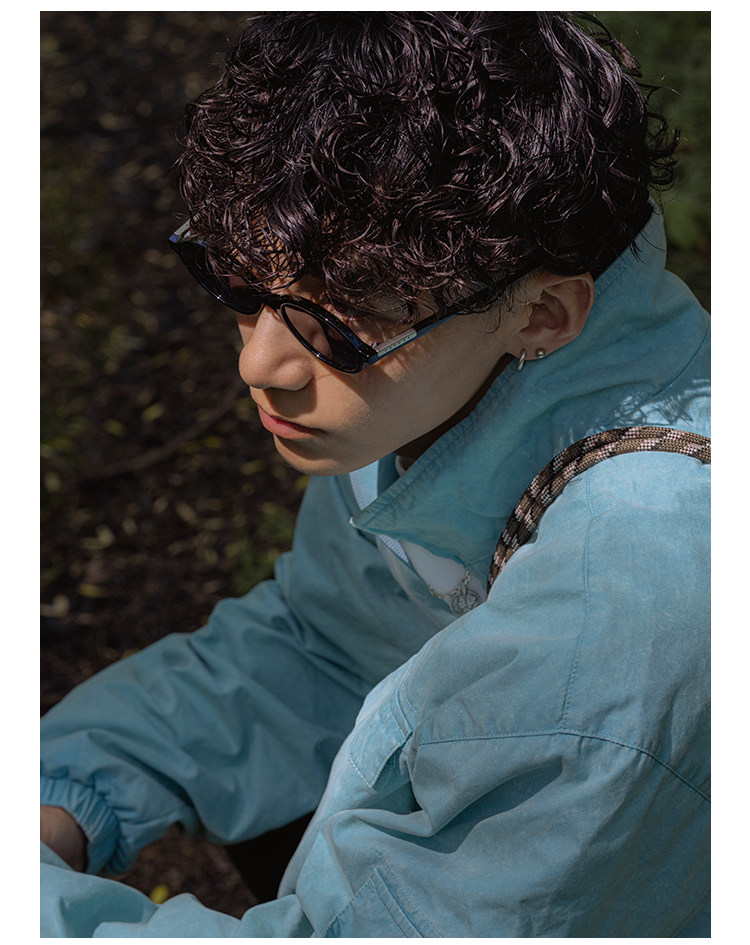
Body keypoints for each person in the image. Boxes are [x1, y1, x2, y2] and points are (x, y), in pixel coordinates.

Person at [40, 11, 710, 937]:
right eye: (238, 279)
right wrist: (64, 785)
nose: (262, 363)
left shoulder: (615, 636)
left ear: (543, 313)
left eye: (342, 321)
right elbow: (325, 644)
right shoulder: (439, 396)